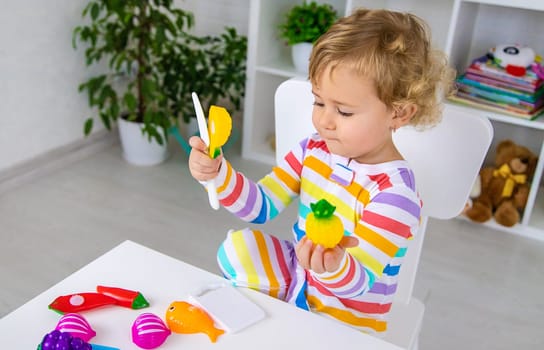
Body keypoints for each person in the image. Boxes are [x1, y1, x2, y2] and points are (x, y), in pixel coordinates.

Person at [188, 8, 454, 335]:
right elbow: (260, 207)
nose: (324, 121)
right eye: (318, 102)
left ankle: (283, 318)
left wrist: (332, 267)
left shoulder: (395, 195)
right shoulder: (313, 150)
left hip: (347, 314)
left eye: (343, 110)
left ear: (398, 113)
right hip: (301, 274)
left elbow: (359, 283)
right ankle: (283, 311)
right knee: (238, 248)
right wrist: (217, 174)